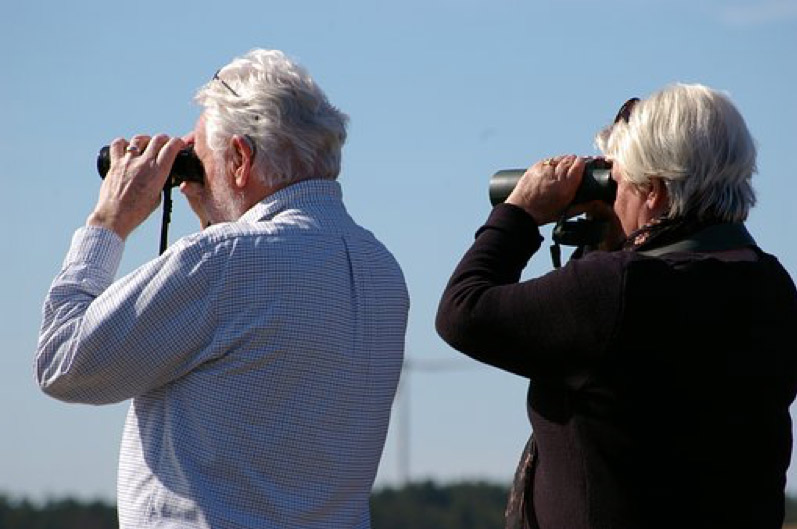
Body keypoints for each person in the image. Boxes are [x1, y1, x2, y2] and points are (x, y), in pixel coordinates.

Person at [35, 49, 409, 529]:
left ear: (240, 158)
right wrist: (214, 210)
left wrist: (108, 222)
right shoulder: (381, 270)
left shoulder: (225, 260)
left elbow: (63, 362)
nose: (190, 179)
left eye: (199, 160)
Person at [436, 83, 797, 529]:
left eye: (618, 181)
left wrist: (519, 214)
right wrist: (611, 240)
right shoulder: (772, 286)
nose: (612, 195)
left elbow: (463, 312)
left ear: (656, 192)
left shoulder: (620, 290)